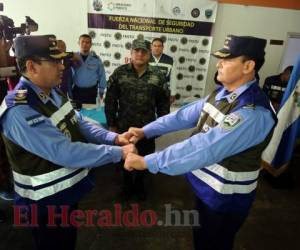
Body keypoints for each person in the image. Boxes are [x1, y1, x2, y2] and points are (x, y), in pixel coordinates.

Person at [124, 35, 277, 250]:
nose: (218, 64)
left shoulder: (253, 113)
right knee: (201, 238)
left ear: (248, 66)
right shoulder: (223, 93)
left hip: (225, 200)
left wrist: (148, 162)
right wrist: (145, 131)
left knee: (212, 243)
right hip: (207, 191)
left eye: (227, 60)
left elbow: (204, 147)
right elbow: (183, 116)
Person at [0, 34, 136, 250]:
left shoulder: (52, 91)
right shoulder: (21, 110)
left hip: (66, 193)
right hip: (45, 203)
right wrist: (117, 153)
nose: (63, 67)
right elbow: (65, 152)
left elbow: (78, 121)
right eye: (55, 62)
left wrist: (115, 138)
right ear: (31, 66)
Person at [105, 39, 170, 201]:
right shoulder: (120, 73)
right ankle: (126, 187)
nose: (140, 54)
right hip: (124, 128)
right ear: (131, 53)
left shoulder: (158, 76)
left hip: (148, 128)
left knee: (145, 158)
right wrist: (111, 124)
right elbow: (110, 101)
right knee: (124, 159)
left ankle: (140, 186)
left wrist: (160, 127)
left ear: (149, 54)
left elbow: (163, 104)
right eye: (137, 51)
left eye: (144, 52)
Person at [71, 34, 106, 104]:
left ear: (91, 45)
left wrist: (101, 91)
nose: (85, 44)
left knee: (90, 112)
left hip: (91, 92)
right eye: (82, 42)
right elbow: (68, 76)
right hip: (77, 91)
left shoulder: (96, 59)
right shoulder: (73, 58)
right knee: (77, 113)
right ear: (78, 43)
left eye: (87, 42)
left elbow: (102, 76)